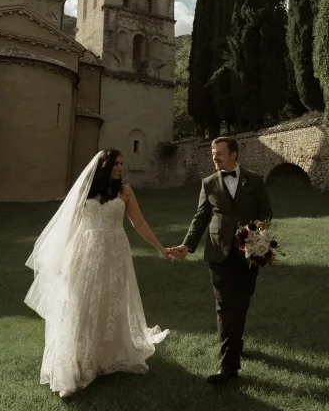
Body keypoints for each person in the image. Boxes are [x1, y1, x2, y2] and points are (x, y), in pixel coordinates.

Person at [24, 149, 172, 399]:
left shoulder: (125, 191)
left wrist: (161, 248)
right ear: (103, 166)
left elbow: (139, 223)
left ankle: (104, 355)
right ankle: (71, 370)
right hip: (85, 253)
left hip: (115, 256)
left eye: (122, 164)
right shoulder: (84, 190)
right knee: (79, 307)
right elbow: (70, 225)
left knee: (108, 303)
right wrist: (61, 258)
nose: (120, 167)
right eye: (116, 163)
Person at [172, 137, 272, 384]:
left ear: (234, 154)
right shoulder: (208, 183)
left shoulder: (256, 181)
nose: (214, 158)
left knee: (242, 302)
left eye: (219, 154)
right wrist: (187, 244)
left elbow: (266, 211)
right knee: (225, 305)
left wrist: (260, 226)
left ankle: (235, 343)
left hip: (250, 253)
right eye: (213, 154)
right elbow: (200, 217)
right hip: (218, 253)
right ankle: (227, 367)